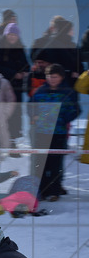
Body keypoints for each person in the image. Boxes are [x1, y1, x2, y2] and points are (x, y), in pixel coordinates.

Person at [29, 63, 80, 201]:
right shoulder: (39, 92)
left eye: (55, 77)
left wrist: (63, 119)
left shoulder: (68, 92)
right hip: (41, 133)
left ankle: (54, 191)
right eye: (49, 76)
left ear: (61, 77)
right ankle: (41, 190)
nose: (52, 79)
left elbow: (75, 110)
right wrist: (34, 116)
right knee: (41, 162)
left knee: (55, 162)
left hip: (58, 133)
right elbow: (30, 107)